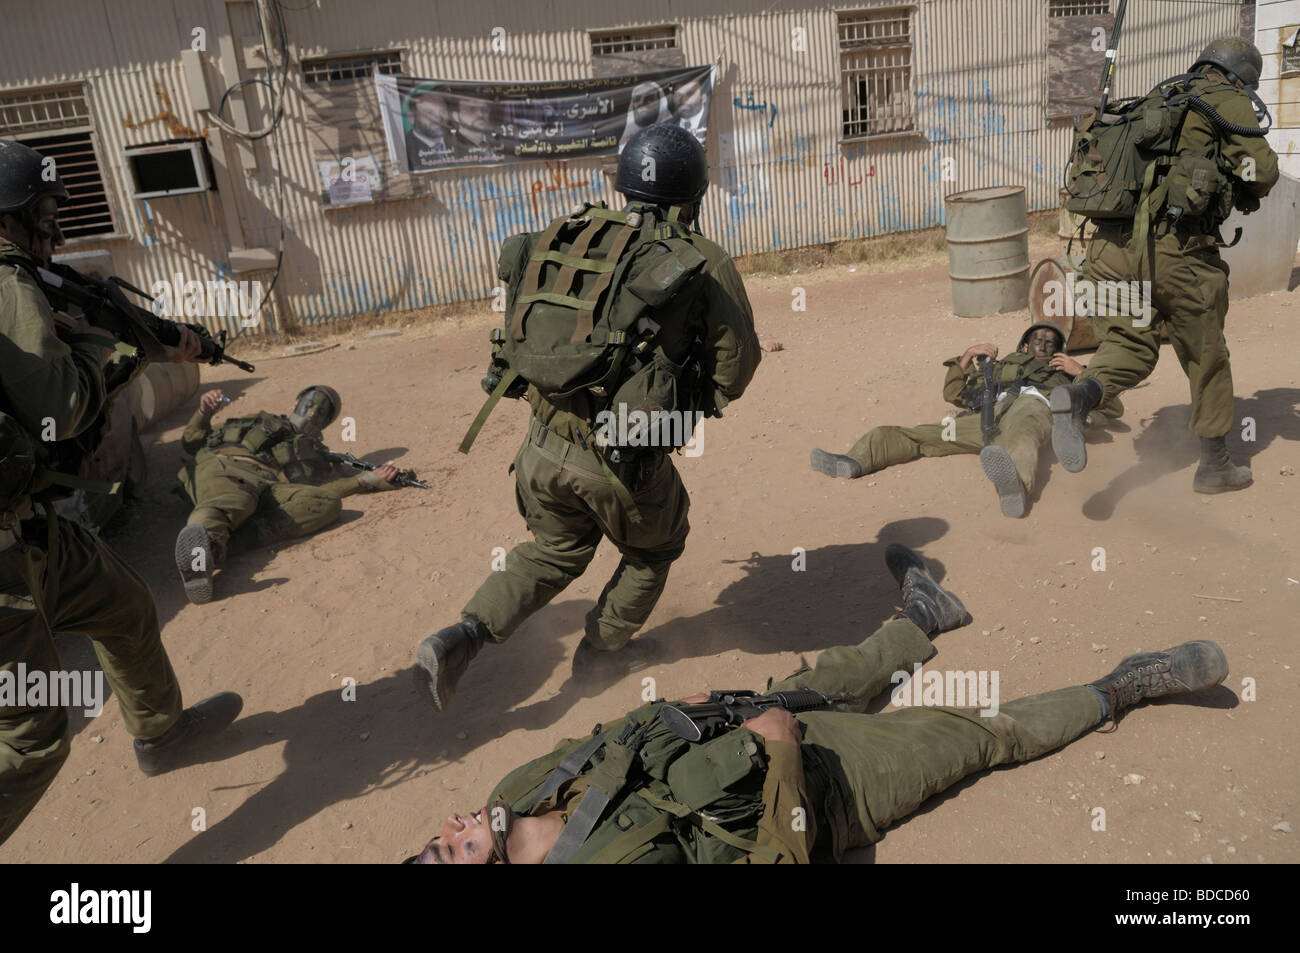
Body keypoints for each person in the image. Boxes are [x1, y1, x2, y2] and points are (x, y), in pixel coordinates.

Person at [405, 543, 1228, 863]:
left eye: (436, 837)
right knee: (983, 733)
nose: (453, 825)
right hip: (823, 792)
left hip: (734, 727)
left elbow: (604, 734)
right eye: (451, 853)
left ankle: (918, 616)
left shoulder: (513, 793)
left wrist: (680, 708)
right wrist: (788, 757)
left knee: (833, 670)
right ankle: (1127, 682)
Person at [415, 123, 761, 713]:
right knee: (655, 547)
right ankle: (600, 657)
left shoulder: (571, 238)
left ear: (624, 184)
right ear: (693, 195)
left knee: (553, 550)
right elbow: (735, 370)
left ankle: (464, 635)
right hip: (621, 457)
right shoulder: (702, 260)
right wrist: (673, 408)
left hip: (540, 448)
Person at [0, 139, 242, 845]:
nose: (57, 228)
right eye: (46, 212)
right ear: (11, 216)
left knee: (124, 603)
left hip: (31, 526)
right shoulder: (9, 284)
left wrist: (150, 340)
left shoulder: (29, 284)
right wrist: (106, 349)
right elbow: (60, 409)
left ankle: (160, 733)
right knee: (34, 737)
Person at [1050, 36, 1280, 494]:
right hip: (1173, 253)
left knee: (1129, 348)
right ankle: (1214, 467)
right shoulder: (1223, 99)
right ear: (1240, 76)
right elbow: (1264, 170)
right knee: (1206, 356)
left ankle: (1080, 398)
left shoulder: (1160, 97)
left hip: (1106, 253)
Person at [810, 323, 1118, 518]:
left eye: (1052, 343)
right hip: (988, 418)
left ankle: (1017, 489)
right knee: (920, 434)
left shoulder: (1067, 373)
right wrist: (968, 355)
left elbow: (1113, 408)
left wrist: (1081, 372)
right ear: (1024, 346)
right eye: (1038, 339)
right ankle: (855, 460)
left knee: (1023, 437)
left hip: (1033, 409)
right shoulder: (1000, 367)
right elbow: (955, 393)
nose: (1045, 345)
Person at [174, 385, 406, 604]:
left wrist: (363, 481)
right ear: (297, 401)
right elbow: (191, 442)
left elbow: (317, 491)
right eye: (311, 402)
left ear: (327, 422)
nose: (315, 412)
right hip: (225, 466)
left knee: (327, 502)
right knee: (233, 501)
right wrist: (204, 412)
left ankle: (226, 545)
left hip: (268, 485)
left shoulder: (317, 454)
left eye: (324, 410)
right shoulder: (257, 420)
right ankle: (202, 553)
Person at [404, 87, 455, 170]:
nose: (438, 119)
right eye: (429, 113)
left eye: (443, 112)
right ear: (412, 117)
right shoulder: (404, 149)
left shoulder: (461, 144)